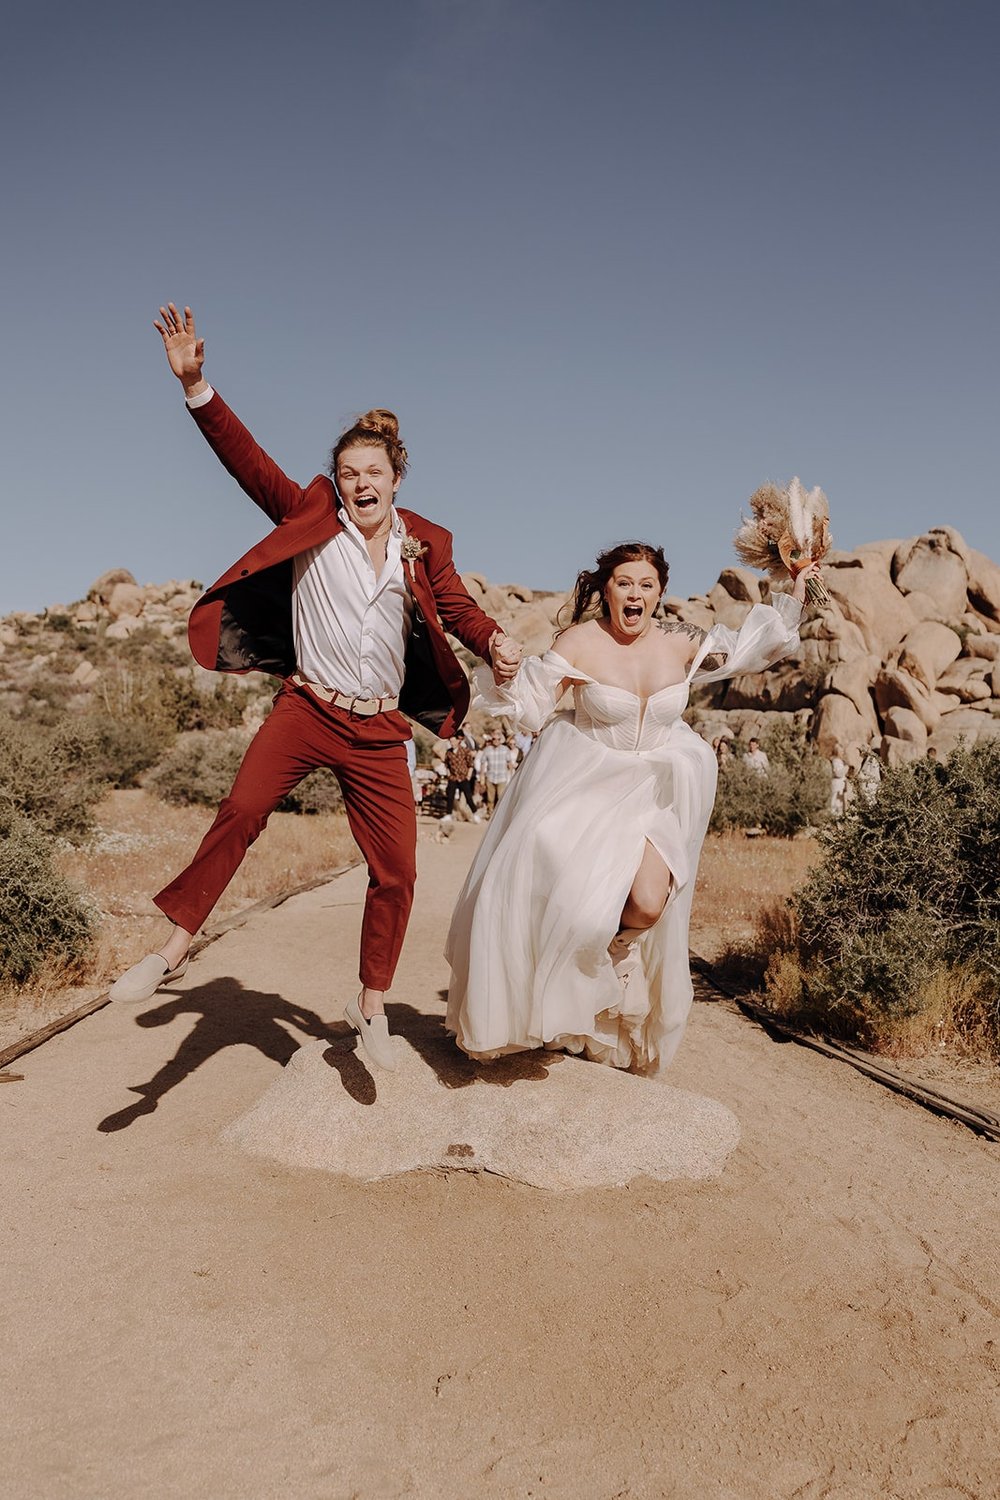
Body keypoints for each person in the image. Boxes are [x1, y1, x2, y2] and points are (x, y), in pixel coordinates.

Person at [110, 303, 520, 1071]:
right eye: (348, 473)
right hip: (307, 708)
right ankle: (170, 951)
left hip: (379, 729)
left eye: (374, 473)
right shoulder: (312, 514)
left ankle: (370, 1006)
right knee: (242, 809)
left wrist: (493, 641)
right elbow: (246, 459)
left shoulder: (423, 542)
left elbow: (458, 608)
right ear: (336, 479)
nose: (360, 485)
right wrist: (197, 385)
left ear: (398, 478)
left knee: (398, 870)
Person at [446, 541, 817, 1074]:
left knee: (646, 903)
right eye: (625, 583)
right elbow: (530, 707)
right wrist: (504, 674)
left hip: (659, 788)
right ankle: (555, 1004)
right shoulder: (578, 641)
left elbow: (751, 648)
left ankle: (612, 960)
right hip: (587, 781)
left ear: (660, 592)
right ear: (606, 589)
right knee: (570, 905)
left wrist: (796, 589)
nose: (635, 593)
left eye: (646, 584)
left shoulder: (681, 642)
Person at [444, 733, 481, 820]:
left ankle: (475, 813)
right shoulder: (448, 752)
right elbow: (446, 764)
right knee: (450, 796)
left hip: (463, 777)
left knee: (468, 797)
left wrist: (468, 775)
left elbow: (470, 764)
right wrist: (448, 774)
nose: (452, 743)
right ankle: (448, 814)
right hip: (453, 777)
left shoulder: (465, 751)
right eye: (450, 741)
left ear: (458, 741)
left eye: (453, 741)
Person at [480, 729, 514, 814]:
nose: (496, 741)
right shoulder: (487, 750)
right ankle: (490, 813)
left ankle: (500, 814)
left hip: (502, 777)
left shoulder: (505, 749)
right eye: (494, 739)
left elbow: (509, 763)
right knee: (490, 798)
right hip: (490, 777)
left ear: (500, 740)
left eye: (498, 739)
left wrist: (511, 776)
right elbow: (483, 764)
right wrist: (482, 778)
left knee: (500, 797)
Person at [829, 746, 848, 817]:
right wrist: (846, 768)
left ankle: (838, 820)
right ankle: (834, 819)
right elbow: (838, 773)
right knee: (835, 803)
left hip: (840, 785)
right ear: (837, 752)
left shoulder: (840, 761)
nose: (843, 752)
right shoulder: (836, 761)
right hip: (837, 785)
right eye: (841, 751)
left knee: (839, 803)